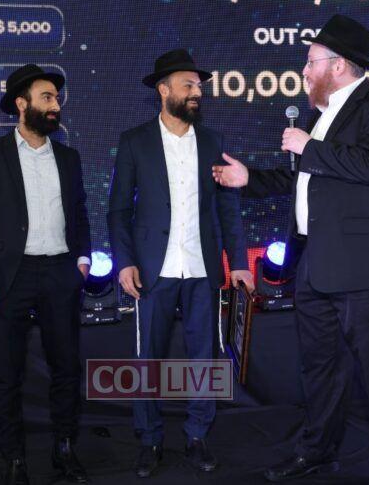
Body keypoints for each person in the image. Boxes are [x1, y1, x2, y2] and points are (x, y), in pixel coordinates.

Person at [212, 15, 369, 485]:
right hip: (314, 265)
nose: (303, 71)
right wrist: (249, 179)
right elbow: (302, 180)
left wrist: (309, 147)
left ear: (338, 65)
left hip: (367, 270)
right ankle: (319, 451)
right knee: (320, 369)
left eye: (310, 62)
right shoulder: (319, 117)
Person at [108, 49, 254, 478]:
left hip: (203, 267)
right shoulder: (135, 141)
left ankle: (197, 436)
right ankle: (149, 439)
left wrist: (239, 262)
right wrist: (124, 262)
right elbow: (118, 210)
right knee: (147, 359)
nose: (197, 92)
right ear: (163, 89)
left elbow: (227, 208)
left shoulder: (212, 141)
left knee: (203, 357)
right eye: (188, 85)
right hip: (152, 269)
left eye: (199, 86)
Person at [0, 64, 91, 485]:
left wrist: (83, 260)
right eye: (46, 97)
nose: (55, 105)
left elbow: (80, 214)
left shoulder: (69, 158)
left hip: (60, 273)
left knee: (66, 369)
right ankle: (14, 460)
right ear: (22, 104)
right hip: (8, 280)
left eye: (56, 98)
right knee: (7, 375)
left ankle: (65, 450)